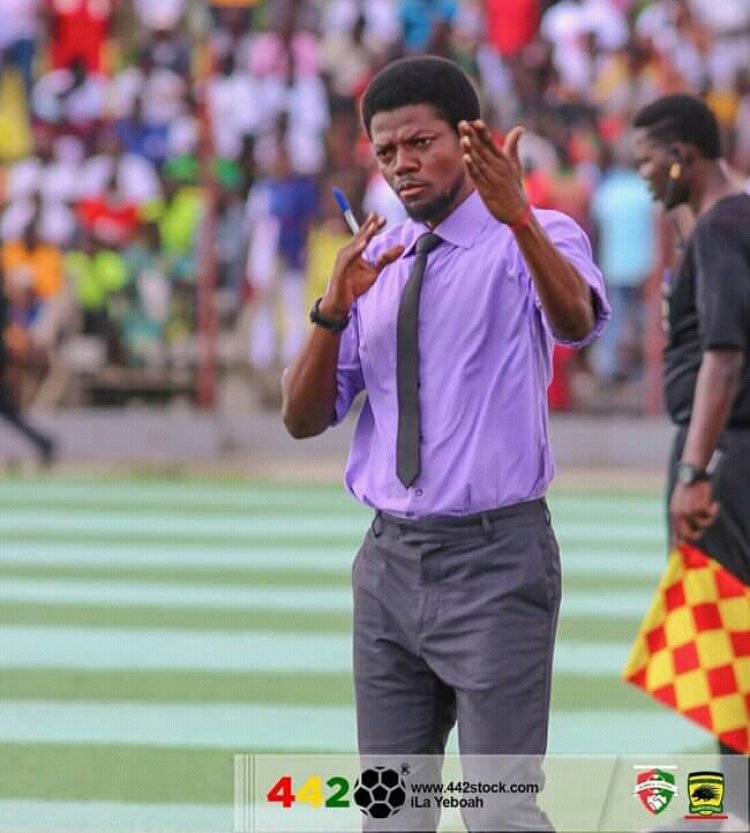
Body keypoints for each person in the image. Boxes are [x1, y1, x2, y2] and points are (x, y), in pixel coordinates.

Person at [282, 56, 609, 832]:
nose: (402, 164)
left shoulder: (535, 232)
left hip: (496, 560)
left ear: (469, 140)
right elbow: (301, 418)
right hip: (388, 564)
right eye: (386, 151)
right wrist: (332, 310)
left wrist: (519, 217)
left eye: (420, 143)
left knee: (497, 814)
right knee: (390, 815)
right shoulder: (379, 258)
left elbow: (575, 323)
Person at [632, 93, 749, 823]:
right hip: (731, 453)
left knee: (725, 639)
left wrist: (694, 470)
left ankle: (734, 808)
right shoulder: (726, 221)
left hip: (725, 457)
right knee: (729, 637)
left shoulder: (723, 226)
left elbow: (723, 354)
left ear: (682, 157)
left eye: (647, 161)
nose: (641, 175)